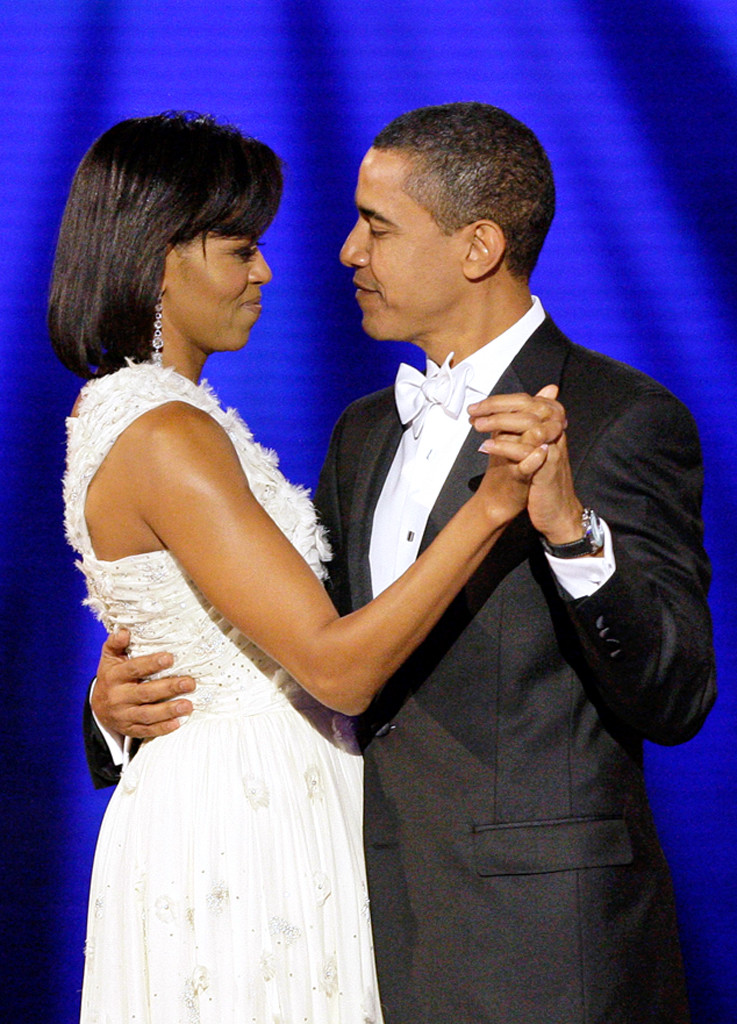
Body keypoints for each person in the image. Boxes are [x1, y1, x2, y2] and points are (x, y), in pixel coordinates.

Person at [83, 104, 716, 1024]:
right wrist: (112, 711)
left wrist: (574, 534)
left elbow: (678, 695)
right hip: (351, 919)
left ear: (477, 247)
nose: (345, 251)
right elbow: (312, 646)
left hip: (539, 948)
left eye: (376, 227)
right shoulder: (365, 431)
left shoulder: (618, 416)